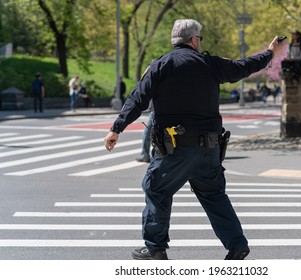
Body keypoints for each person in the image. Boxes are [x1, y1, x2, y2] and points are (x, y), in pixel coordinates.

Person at [103, 19, 284, 260]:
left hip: (174, 148)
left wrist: (117, 128)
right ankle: (237, 244)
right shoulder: (210, 64)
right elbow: (243, 67)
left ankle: (156, 248)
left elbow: (138, 98)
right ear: (195, 40)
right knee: (214, 194)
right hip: (209, 148)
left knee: (156, 189)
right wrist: (270, 53)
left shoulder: (160, 66)